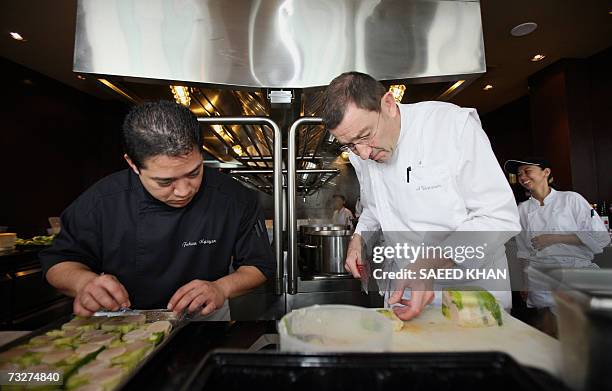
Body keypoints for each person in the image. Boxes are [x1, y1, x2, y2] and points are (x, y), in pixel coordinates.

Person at [40, 101, 274, 320]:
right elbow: (59, 263)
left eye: (194, 173)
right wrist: (84, 282)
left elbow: (259, 265)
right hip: (120, 323)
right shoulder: (101, 202)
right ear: (133, 164)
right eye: (165, 182)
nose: (183, 191)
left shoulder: (234, 198)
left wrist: (221, 288)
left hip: (205, 320)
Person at [322, 72, 521, 321]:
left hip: (469, 292)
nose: (362, 153)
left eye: (364, 136)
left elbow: (498, 217)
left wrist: (428, 265)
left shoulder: (451, 126)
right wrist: (359, 237)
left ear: (388, 105)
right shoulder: (362, 153)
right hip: (405, 291)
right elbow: (375, 205)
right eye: (350, 145)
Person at [504, 157, 610, 335]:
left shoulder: (571, 200)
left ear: (546, 172)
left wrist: (554, 238)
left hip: (575, 275)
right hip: (541, 279)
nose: (522, 176)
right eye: (519, 173)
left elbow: (601, 237)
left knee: (581, 335)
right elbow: (523, 251)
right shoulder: (522, 209)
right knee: (549, 334)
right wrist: (525, 283)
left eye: (527, 170)